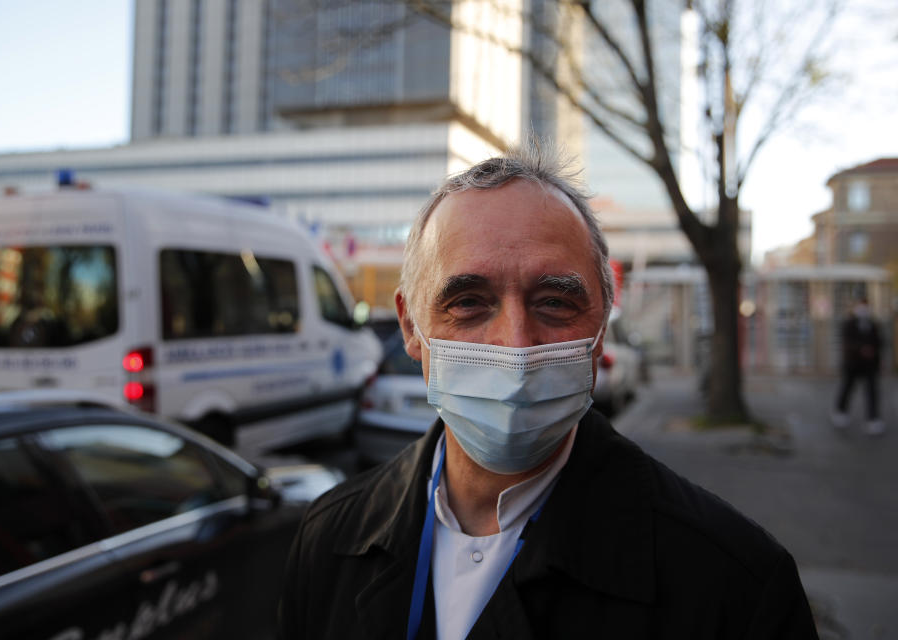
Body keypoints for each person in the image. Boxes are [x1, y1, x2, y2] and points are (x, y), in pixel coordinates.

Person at [278, 146, 818, 639]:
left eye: (555, 303)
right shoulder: (327, 538)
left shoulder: (733, 585)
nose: (516, 346)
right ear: (411, 327)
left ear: (600, 326)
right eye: (468, 302)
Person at [832, 298, 884, 435]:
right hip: (852, 364)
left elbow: (880, 342)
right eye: (861, 307)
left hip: (870, 366)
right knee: (847, 388)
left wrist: (874, 352)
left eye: (865, 307)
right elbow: (847, 342)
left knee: (872, 392)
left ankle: (873, 419)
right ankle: (840, 412)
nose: (863, 310)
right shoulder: (848, 324)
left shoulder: (873, 324)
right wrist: (862, 349)